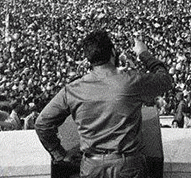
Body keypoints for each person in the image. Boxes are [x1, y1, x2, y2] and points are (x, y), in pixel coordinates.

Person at [35, 30, 172, 178]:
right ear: (113, 52)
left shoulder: (73, 89)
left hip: (91, 167)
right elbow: (165, 80)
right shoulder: (131, 81)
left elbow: (42, 123)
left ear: (89, 59)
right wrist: (143, 53)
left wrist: (59, 154)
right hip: (127, 167)